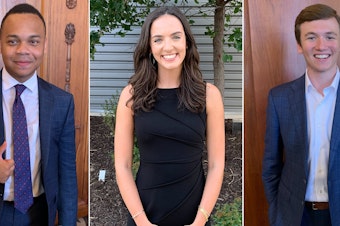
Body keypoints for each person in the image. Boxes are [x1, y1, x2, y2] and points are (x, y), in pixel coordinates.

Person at [114, 6, 225, 226]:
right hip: (145, 213)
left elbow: (216, 164)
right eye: (158, 39)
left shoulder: (209, 95)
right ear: (149, 46)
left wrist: (200, 220)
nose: (168, 46)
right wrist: (141, 221)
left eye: (176, 37)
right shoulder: (131, 95)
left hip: (194, 215)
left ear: (187, 42)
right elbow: (123, 165)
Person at [262, 3, 340, 226]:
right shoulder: (279, 98)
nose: (321, 45)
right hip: (295, 216)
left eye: (330, 36)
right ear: (299, 45)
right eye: (311, 37)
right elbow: (270, 165)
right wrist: (277, 213)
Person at [0, 3, 78, 226]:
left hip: (39, 213)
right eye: (13, 41)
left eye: (33, 41)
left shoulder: (61, 103)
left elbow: (67, 176)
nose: (23, 50)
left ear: (44, 46)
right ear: (1, 44)